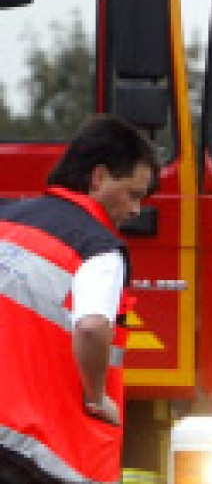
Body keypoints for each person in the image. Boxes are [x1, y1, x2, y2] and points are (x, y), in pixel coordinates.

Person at [0, 115, 158, 484]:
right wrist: (96, 396)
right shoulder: (98, 250)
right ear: (98, 177)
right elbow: (91, 327)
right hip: (43, 453)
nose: (136, 210)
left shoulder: (8, 221)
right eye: (133, 194)